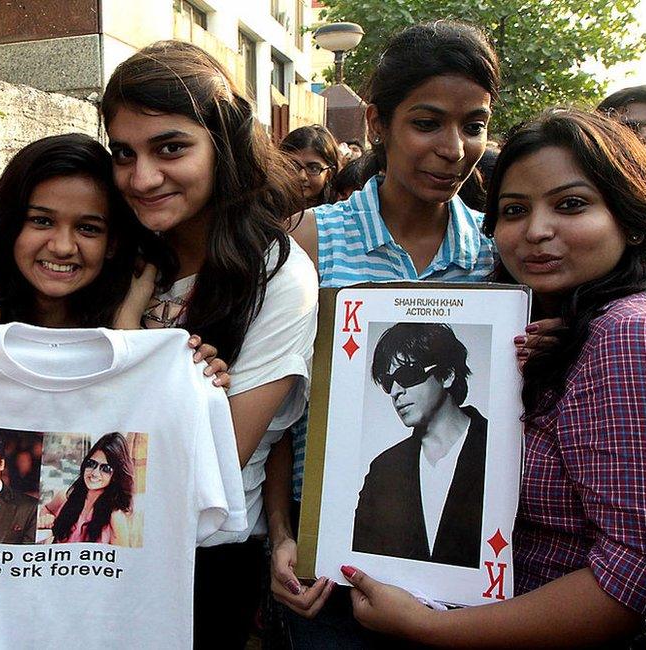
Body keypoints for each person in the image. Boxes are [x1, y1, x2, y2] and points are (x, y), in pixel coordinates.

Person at [340, 108, 646, 647]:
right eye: (514, 210)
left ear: (629, 216)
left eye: (571, 205)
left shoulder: (627, 334)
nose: (536, 231)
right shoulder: (554, 329)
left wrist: (431, 628)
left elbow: (633, 575)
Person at [267, 20, 500, 645]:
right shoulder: (314, 239)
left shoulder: (494, 257)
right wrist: (285, 537)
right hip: (328, 578)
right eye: (427, 122)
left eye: (473, 125)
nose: (454, 148)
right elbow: (280, 407)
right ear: (377, 123)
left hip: (461, 590)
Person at [101, 40, 319, 646]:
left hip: (201, 561)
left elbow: (217, 456)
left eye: (171, 148)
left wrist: (125, 337)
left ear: (222, 144)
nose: (142, 178)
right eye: (124, 154)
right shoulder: (123, 252)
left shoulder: (277, 274)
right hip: (93, 539)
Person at [0, 134, 229, 388]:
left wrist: (132, 330)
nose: (63, 246)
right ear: (11, 225)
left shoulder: (153, 339)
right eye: (41, 221)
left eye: (88, 228)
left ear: (113, 243)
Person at [353, 323, 486, 568]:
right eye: (387, 381)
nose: (394, 391)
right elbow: (362, 558)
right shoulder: (383, 470)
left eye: (407, 375)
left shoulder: (497, 449)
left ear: (446, 375)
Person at [39, 432, 136, 546]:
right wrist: (46, 519)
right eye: (91, 463)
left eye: (105, 468)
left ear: (115, 475)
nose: (94, 473)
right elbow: (46, 509)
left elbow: (121, 560)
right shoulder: (65, 496)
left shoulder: (115, 516)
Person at [280, 125, 343, 209]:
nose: (301, 176)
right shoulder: (265, 211)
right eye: (292, 166)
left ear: (329, 174)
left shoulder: (337, 216)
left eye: (313, 168)